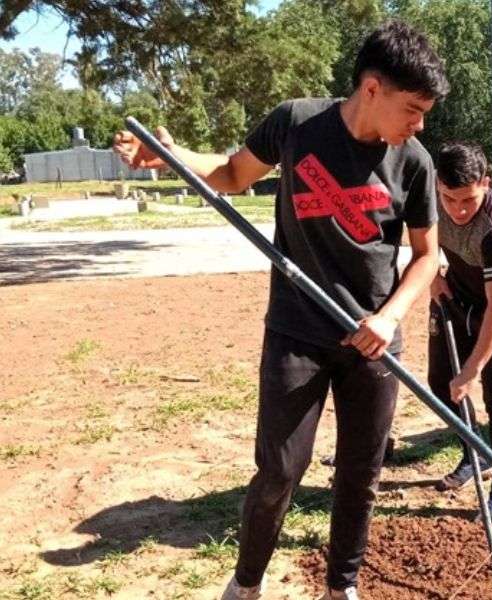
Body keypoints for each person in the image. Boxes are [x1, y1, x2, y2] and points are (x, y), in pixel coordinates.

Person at [113, 21, 448, 600]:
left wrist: (390, 317)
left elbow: (427, 256)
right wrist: (169, 157)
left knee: (359, 478)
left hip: (372, 341)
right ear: (372, 90)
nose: (420, 124)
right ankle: (246, 584)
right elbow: (231, 174)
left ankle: (340, 588)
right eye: (413, 109)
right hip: (298, 331)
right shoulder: (296, 124)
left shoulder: (413, 162)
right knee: (279, 472)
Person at [427, 141, 492, 524]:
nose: (458, 210)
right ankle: (474, 451)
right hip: (454, 296)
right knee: (441, 384)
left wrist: (473, 367)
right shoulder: (432, 198)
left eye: (467, 200)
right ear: (438, 185)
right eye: (449, 199)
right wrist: (434, 276)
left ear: (486, 183)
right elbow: (421, 240)